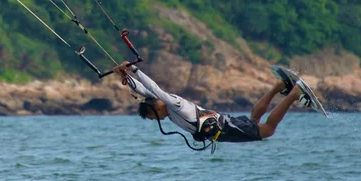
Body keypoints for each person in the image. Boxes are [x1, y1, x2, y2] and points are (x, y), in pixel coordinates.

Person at [113, 61, 319, 147]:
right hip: (222, 127)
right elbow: (143, 92)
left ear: (156, 106)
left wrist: (134, 69)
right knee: (254, 121)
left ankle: (293, 94)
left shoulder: (173, 104)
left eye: (154, 116)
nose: (159, 119)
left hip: (223, 128)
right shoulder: (165, 107)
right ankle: (280, 86)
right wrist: (125, 76)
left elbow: (154, 90)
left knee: (267, 130)